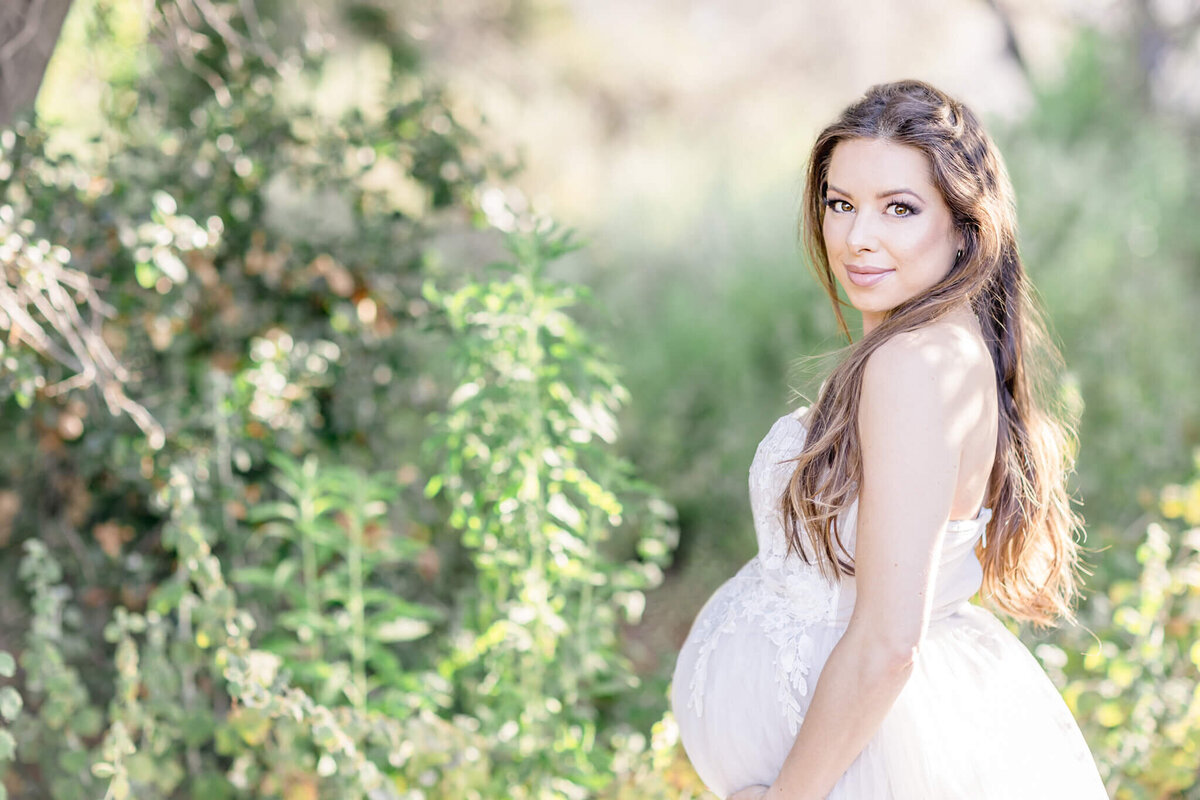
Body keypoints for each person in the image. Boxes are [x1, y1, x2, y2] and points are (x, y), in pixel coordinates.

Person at [670, 80, 1108, 799]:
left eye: (898, 209)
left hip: (870, 763)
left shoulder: (915, 365)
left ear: (967, 227)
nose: (855, 237)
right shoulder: (937, 347)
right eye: (840, 203)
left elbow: (886, 644)